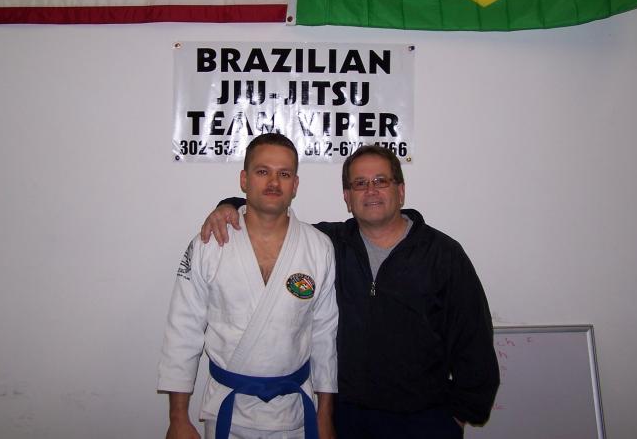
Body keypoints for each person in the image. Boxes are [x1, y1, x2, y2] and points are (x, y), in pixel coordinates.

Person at [201, 145, 499, 439]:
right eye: (359, 183)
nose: (371, 190)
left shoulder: (442, 255)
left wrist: (461, 413)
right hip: (347, 418)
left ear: (401, 191)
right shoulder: (326, 244)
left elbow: (473, 337)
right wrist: (229, 206)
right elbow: (271, 217)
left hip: (424, 419)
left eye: (381, 181)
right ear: (347, 197)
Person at [158, 133, 338, 439]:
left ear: (295, 185)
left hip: (294, 412)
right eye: (262, 171)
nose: (274, 182)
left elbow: (324, 336)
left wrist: (325, 415)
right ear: (244, 179)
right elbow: (183, 331)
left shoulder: (318, 247)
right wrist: (178, 419)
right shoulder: (209, 243)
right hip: (228, 412)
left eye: (284, 174)